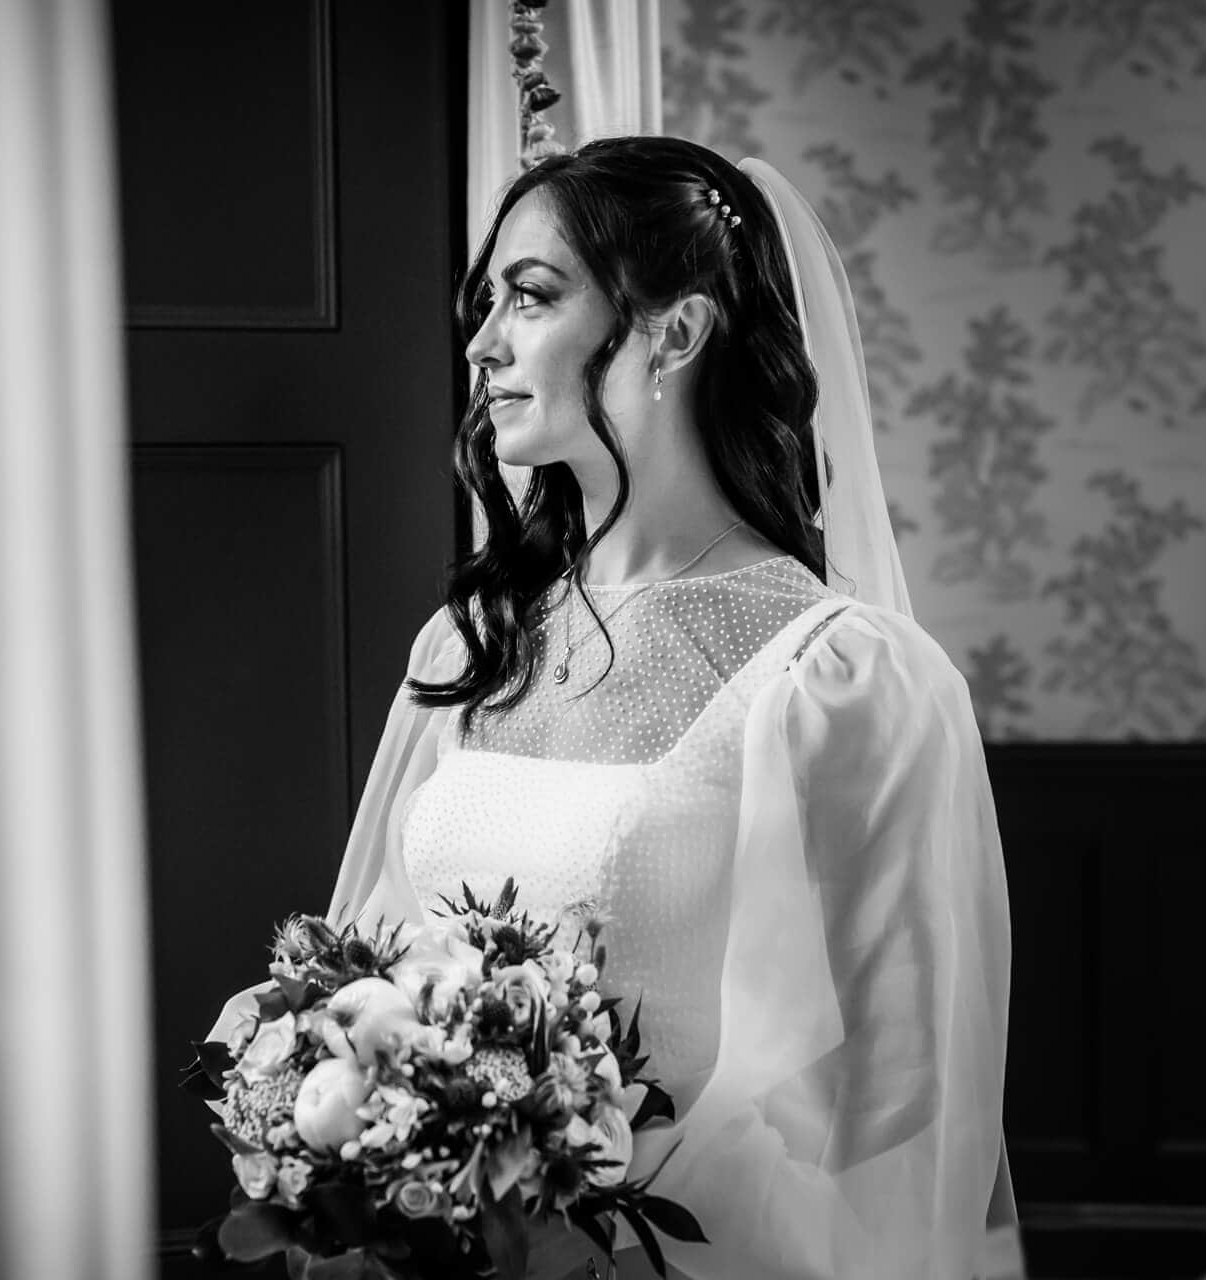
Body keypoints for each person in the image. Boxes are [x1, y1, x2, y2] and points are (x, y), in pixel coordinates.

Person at [224, 135, 1018, 1278]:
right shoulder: (471, 643)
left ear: (677, 332)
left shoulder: (844, 678)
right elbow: (374, 952)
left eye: (531, 297)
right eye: (486, 302)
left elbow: (900, 1097)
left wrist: (582, 1219)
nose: (484, 343)